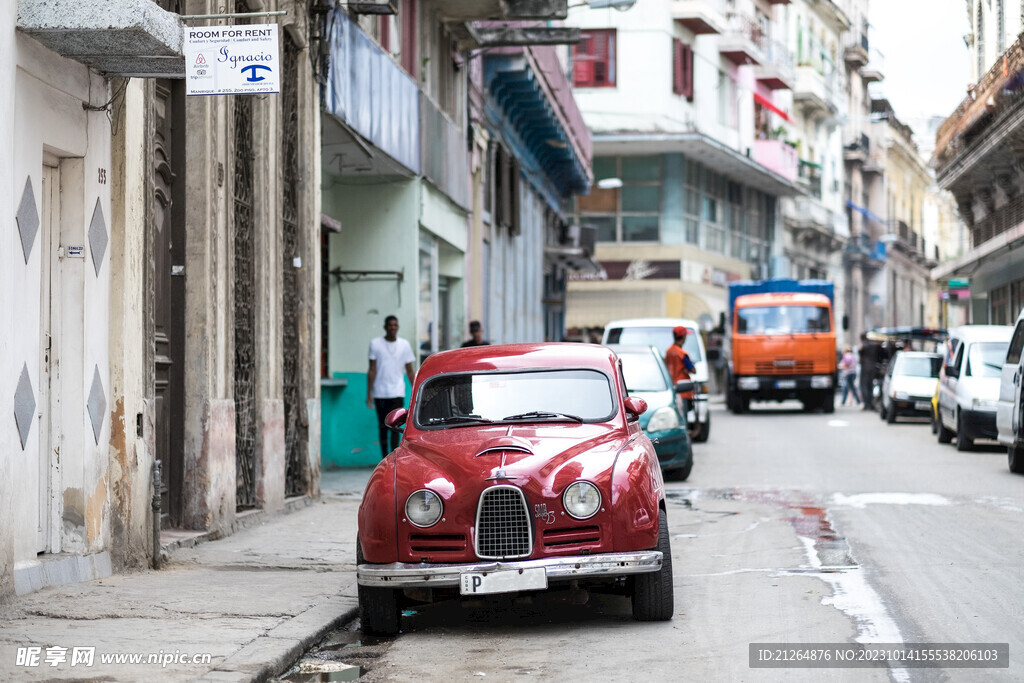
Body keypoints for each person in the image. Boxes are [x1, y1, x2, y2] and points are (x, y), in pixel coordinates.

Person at [366, 315, 416, 458]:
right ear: (385, 327)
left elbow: (410, 370)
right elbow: (372, 370)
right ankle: (384, 458)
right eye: (389, 325)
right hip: (380, 392)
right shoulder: (375, 344)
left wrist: (416, 390)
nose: (392, 327)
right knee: (382, 427)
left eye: (395, 325)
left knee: (395, 428)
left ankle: (394, 458)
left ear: (398, 327)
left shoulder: (404, 345)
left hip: (397, 391)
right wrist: (369, 393)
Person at [665, 326, 697, 418]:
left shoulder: (668, 351)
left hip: (672, 388)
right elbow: (693, 370)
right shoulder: (682, 354)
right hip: (683, 390)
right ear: (683, 337)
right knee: (684, 418)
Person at [858, 333, 881, 410]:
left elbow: (861, 355)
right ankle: (870, 403)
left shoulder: (863, 346)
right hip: (873, 367)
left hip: (865, 367)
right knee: (870, 386)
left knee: (864, 386)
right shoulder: (874, 345)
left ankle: (867, 404)